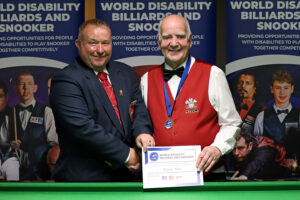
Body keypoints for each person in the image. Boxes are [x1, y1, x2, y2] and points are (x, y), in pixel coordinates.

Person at [49, 19, 154, 182]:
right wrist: (126, 155)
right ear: (78, 44)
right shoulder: (65, 80)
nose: (100, 50)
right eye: (92, 43)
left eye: (105, 43)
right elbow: (83, 128)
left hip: (127, 179)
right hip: (84, 181)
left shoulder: (126, 73)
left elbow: (139, 110)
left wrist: (142, 132)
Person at [140, 14, 242, 174]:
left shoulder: (213, 74)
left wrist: (217, 148)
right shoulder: (146, 80)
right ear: (159, 42)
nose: (174, 43)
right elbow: (142, 124)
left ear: (190, 40)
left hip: (208, 174)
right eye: (167, 37)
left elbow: (231, 123)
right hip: (161, 175)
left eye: (180, 36)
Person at [13, 72, 58, 180]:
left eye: (29, 84)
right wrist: (11, 145)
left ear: (35, 88)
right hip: (15, 170)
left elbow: (53, 143)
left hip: (40, 171)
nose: (25, 88)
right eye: (22, 84)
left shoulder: (47, 112)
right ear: (15, 88)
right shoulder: (10, 113)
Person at [253, 69, 300, 159]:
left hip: (295, 171)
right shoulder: (261, 117)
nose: (282, 92)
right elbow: (256, 149)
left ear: (292, 89)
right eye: (278, 88)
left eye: (286, 88)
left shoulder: (299, 115)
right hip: (267, 169)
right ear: (271, 89)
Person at [0, 80, 20, 181]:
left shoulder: (13, 113)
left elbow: (20, 137)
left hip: (9, 157)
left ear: (6, 97)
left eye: (0, 97)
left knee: (13, 168)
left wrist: (18, 143)